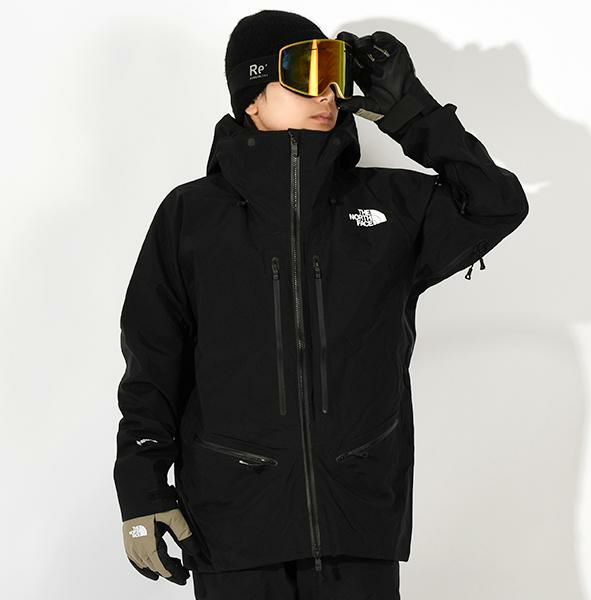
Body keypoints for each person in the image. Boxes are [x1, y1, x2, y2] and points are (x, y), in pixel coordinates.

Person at [113, 9, 529, 600]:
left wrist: (412, 112)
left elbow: (495, 204)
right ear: (252, 98)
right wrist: (143, 491)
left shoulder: (390, 206)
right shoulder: (191, 215)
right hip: (231, 526)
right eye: (304, 76)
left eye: (334, 76)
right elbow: (153, 361)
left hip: (356, 521)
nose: (327, 93)